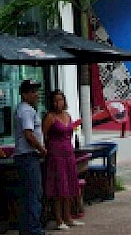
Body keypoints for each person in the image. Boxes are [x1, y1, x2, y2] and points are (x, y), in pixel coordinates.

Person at [42, 90, 83, 230]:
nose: (58, 103)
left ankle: (68, 217)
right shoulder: (50, 117)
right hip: (55, 155)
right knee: (59, 187)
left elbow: (70, 133)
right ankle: (59, 219)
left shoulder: (68, 116)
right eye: (55, 100)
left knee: (69, 186)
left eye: (60, 100)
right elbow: (44, 135)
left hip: (68, 154)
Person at [13, 80, 48, 235]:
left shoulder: (24, 109)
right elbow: (29, 134)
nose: (36, 95)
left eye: (36, 91)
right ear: (24, 94)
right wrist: (41, 149)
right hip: (28, 156)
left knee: (29, 193)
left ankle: (27, 227)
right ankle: (33, 229)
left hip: (26, 156)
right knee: (33, 193)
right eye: (32, 92)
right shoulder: (27, 111)